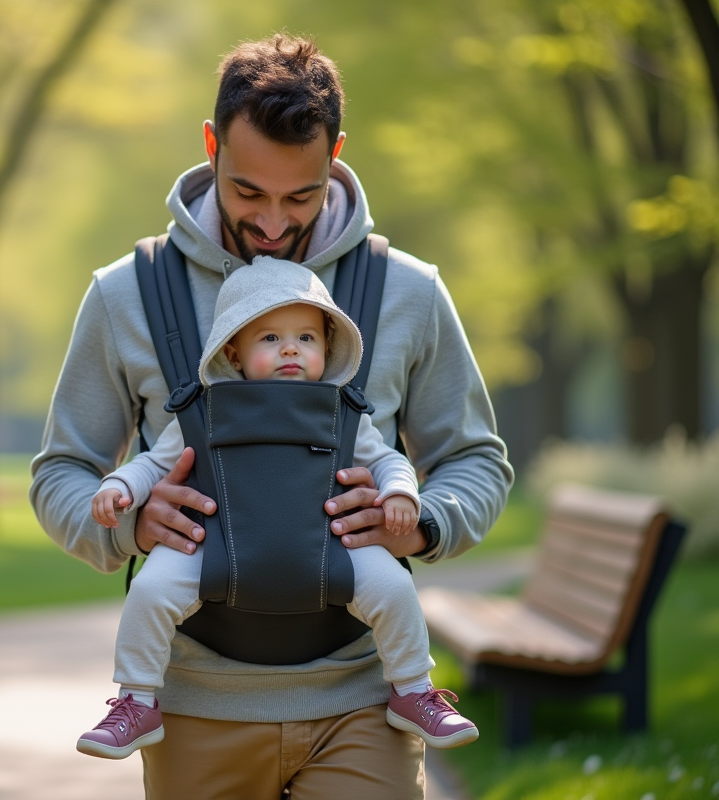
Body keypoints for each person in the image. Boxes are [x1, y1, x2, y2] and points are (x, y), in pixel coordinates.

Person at [31, 32, 512, 799]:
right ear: (211, 145)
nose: (271, 224)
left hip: (361, 697)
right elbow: (61, 472)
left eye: (301, 195)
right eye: (248, 191)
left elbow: (476, 460)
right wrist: (130, 523)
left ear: (337, 155)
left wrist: (420, 524)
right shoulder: (125, 294)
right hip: (193, 706)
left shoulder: (408, 293)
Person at [75, 256, 479, 761]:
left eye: (306, 337)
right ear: (233, 351)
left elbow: (389, 461)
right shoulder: (206, 407)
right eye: (269, 338)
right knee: (152, 591)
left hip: (334, 542)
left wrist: (401, 495)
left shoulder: (341, 409)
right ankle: (137, 701)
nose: (291, 347)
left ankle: (413, 688)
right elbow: (156, 462)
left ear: (327, 348)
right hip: (213, 542)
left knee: (394, 588)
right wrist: (121, 488)